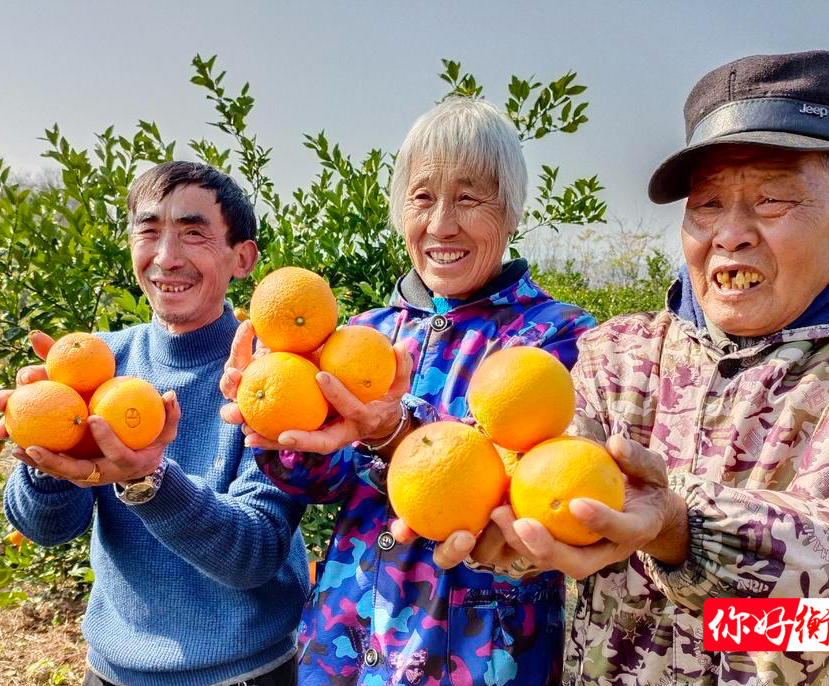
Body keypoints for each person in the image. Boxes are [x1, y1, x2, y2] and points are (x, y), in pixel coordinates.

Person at [461, 50, 829, 685]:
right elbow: (539, 501)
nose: (730, 234)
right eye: (708, 203)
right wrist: (498, 529)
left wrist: (691, 536)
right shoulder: (619, 359)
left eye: (771, 200)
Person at [220, 96, 595, 685]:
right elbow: (325, 481)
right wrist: (276, 434)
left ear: (513, 212)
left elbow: (538, 489)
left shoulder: (559, 337)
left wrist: (395, 431)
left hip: (477, 656)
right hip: (343, 643)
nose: (441, 222)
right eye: (422, 197)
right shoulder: (364, 333)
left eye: (469, 197)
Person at [0, 162, 309, 686]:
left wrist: (149, 482)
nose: (167, 257)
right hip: (112, 672)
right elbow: (46, 528)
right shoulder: (97, 365)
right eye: (148, 231)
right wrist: (45, 456)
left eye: (193, 233)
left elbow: (256, 553)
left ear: (242, 258)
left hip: (247, 674)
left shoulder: (272, 380)